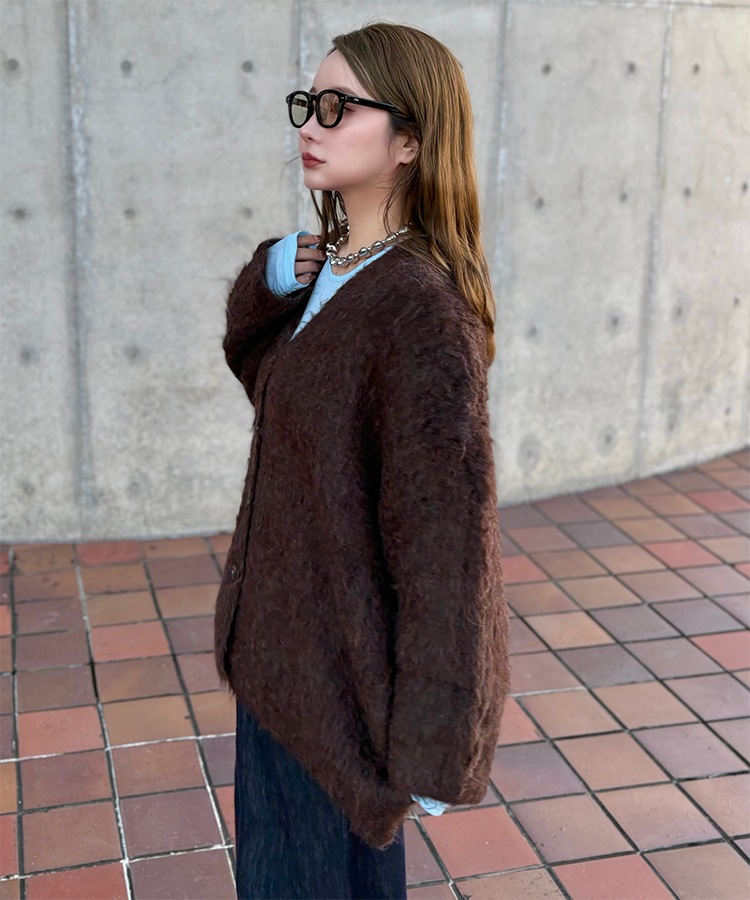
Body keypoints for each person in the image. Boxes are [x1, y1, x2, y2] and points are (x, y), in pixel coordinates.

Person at [213, 21, 510, 900]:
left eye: (339, 108)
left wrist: (435, 742)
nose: (311, 126)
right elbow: (275, 388)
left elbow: (446, 542)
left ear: (410, 140)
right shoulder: (332, 267)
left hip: (340, 694)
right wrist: (270, 281)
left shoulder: (420, 311)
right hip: (283, 659)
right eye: (308, 104)